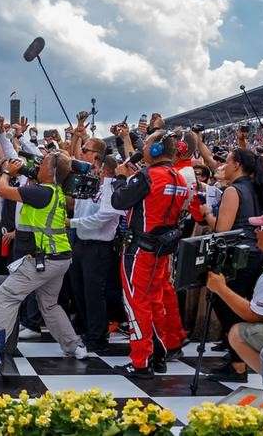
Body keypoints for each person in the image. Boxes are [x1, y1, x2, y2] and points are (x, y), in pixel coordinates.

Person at [0, 154, 87, 360]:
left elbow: (2, 189)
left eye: (43, 163)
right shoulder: (55, 191)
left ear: (51, 171)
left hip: (45, 259)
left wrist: (6, 172)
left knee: (5, 295)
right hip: (60, 258)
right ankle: (74, 346)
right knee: (49, 304)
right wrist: (9, 168)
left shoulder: (41, 192)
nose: (38, 166)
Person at [111, 130, 189, 378]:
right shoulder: (179, 178)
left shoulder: (147, 176)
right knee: (155, 303)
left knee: (136, 305)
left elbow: (118, 201)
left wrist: (122, 179)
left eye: (145, 145)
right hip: (162, 252)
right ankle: (158, 354)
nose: (142, 148)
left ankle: (140, 362)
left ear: (155, 150)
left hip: (139, 251)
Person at [199, 148, 263, 381]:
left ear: (237, 165)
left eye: (227, 162)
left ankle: (239, 364)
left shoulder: (234, 190)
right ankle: (239, 359)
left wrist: (207, 214)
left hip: (237, 258)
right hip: (255, 255)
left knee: (228, 306)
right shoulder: (257, 189)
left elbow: (222, 229)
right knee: (238, 306)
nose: (224, 167)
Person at [206, 204, 263, 383]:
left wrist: (220, 288)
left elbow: (256, 316)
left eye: (261, 228)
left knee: (237, 333)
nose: (256, 232)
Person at [67, 151, 121, 353]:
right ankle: (86, 329)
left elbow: (104, 216)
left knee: (94, 293)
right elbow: (77, 206)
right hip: (81, 242)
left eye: (90, 156)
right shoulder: (88, 183)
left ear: (102, 166)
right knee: (78, 289)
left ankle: (98, 336)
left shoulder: (112, 187)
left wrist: (72, 223)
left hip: (99, 246)